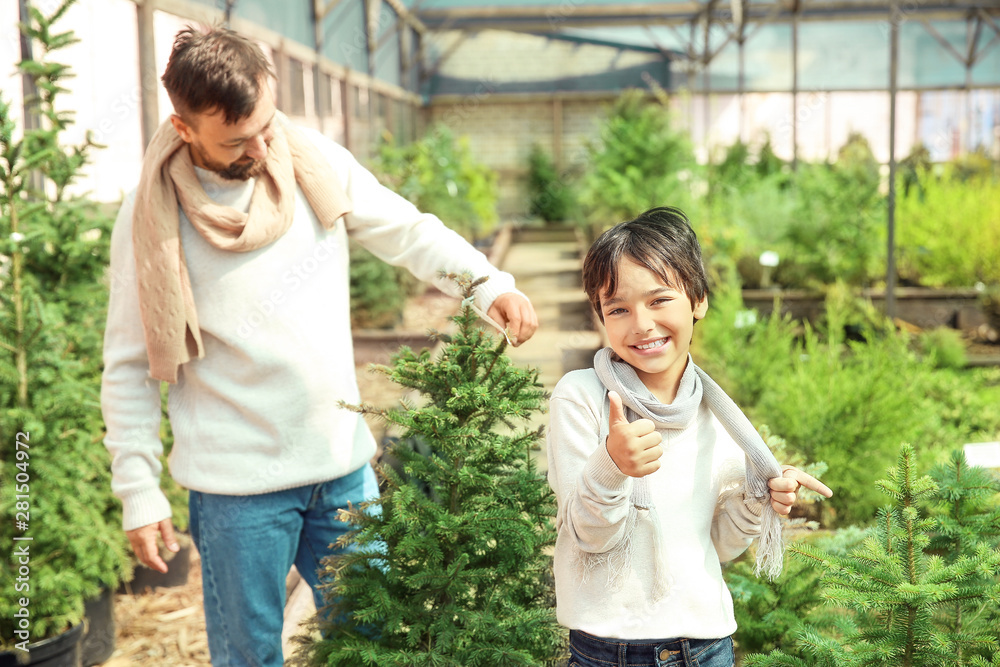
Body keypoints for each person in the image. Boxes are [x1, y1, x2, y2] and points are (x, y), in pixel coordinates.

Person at [101, 25, 538, 667]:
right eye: (236, 139)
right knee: (249, 657)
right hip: (235, 492)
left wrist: (485, 282)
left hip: (341, 471)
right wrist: (138, 487)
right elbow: (130, 363)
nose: (261, 146)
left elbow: (408, 231)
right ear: (185, 126)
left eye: (266, 125)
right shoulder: (150, 212)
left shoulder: (312, 163)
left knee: (371, 648)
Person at [546, 206, 831, 667]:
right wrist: (612, 466)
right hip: (607, 651)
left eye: (659, 300)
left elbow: (718, 545)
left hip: (705, 648)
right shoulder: (580, 397)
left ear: (697, 300)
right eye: (618, 308)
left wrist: (759, 497)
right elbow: (590, 537)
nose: (641, 323)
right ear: (601, 316)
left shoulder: (719, 417)